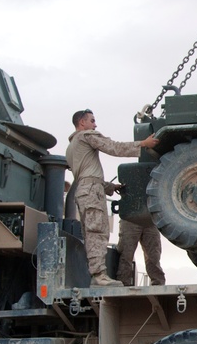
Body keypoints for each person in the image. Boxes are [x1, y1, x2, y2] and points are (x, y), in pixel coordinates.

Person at [65, 109, 159, 287]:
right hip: (91, 191)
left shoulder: (71, 147)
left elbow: (85, 174)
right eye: (92, 121)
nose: (95, 124)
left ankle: (97, 274)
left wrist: (109, 187)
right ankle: (99, 276)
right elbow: (113, 147)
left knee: (91, 233)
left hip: (85, 189)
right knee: (97, 232)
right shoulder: (86, 136)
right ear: (82, 123)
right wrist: (143, 144)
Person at [116, 219, 166, 286]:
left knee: (154, 256)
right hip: (129, 218)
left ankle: (158, 284)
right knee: (126, 254)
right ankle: (122, 283)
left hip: (150, 220)